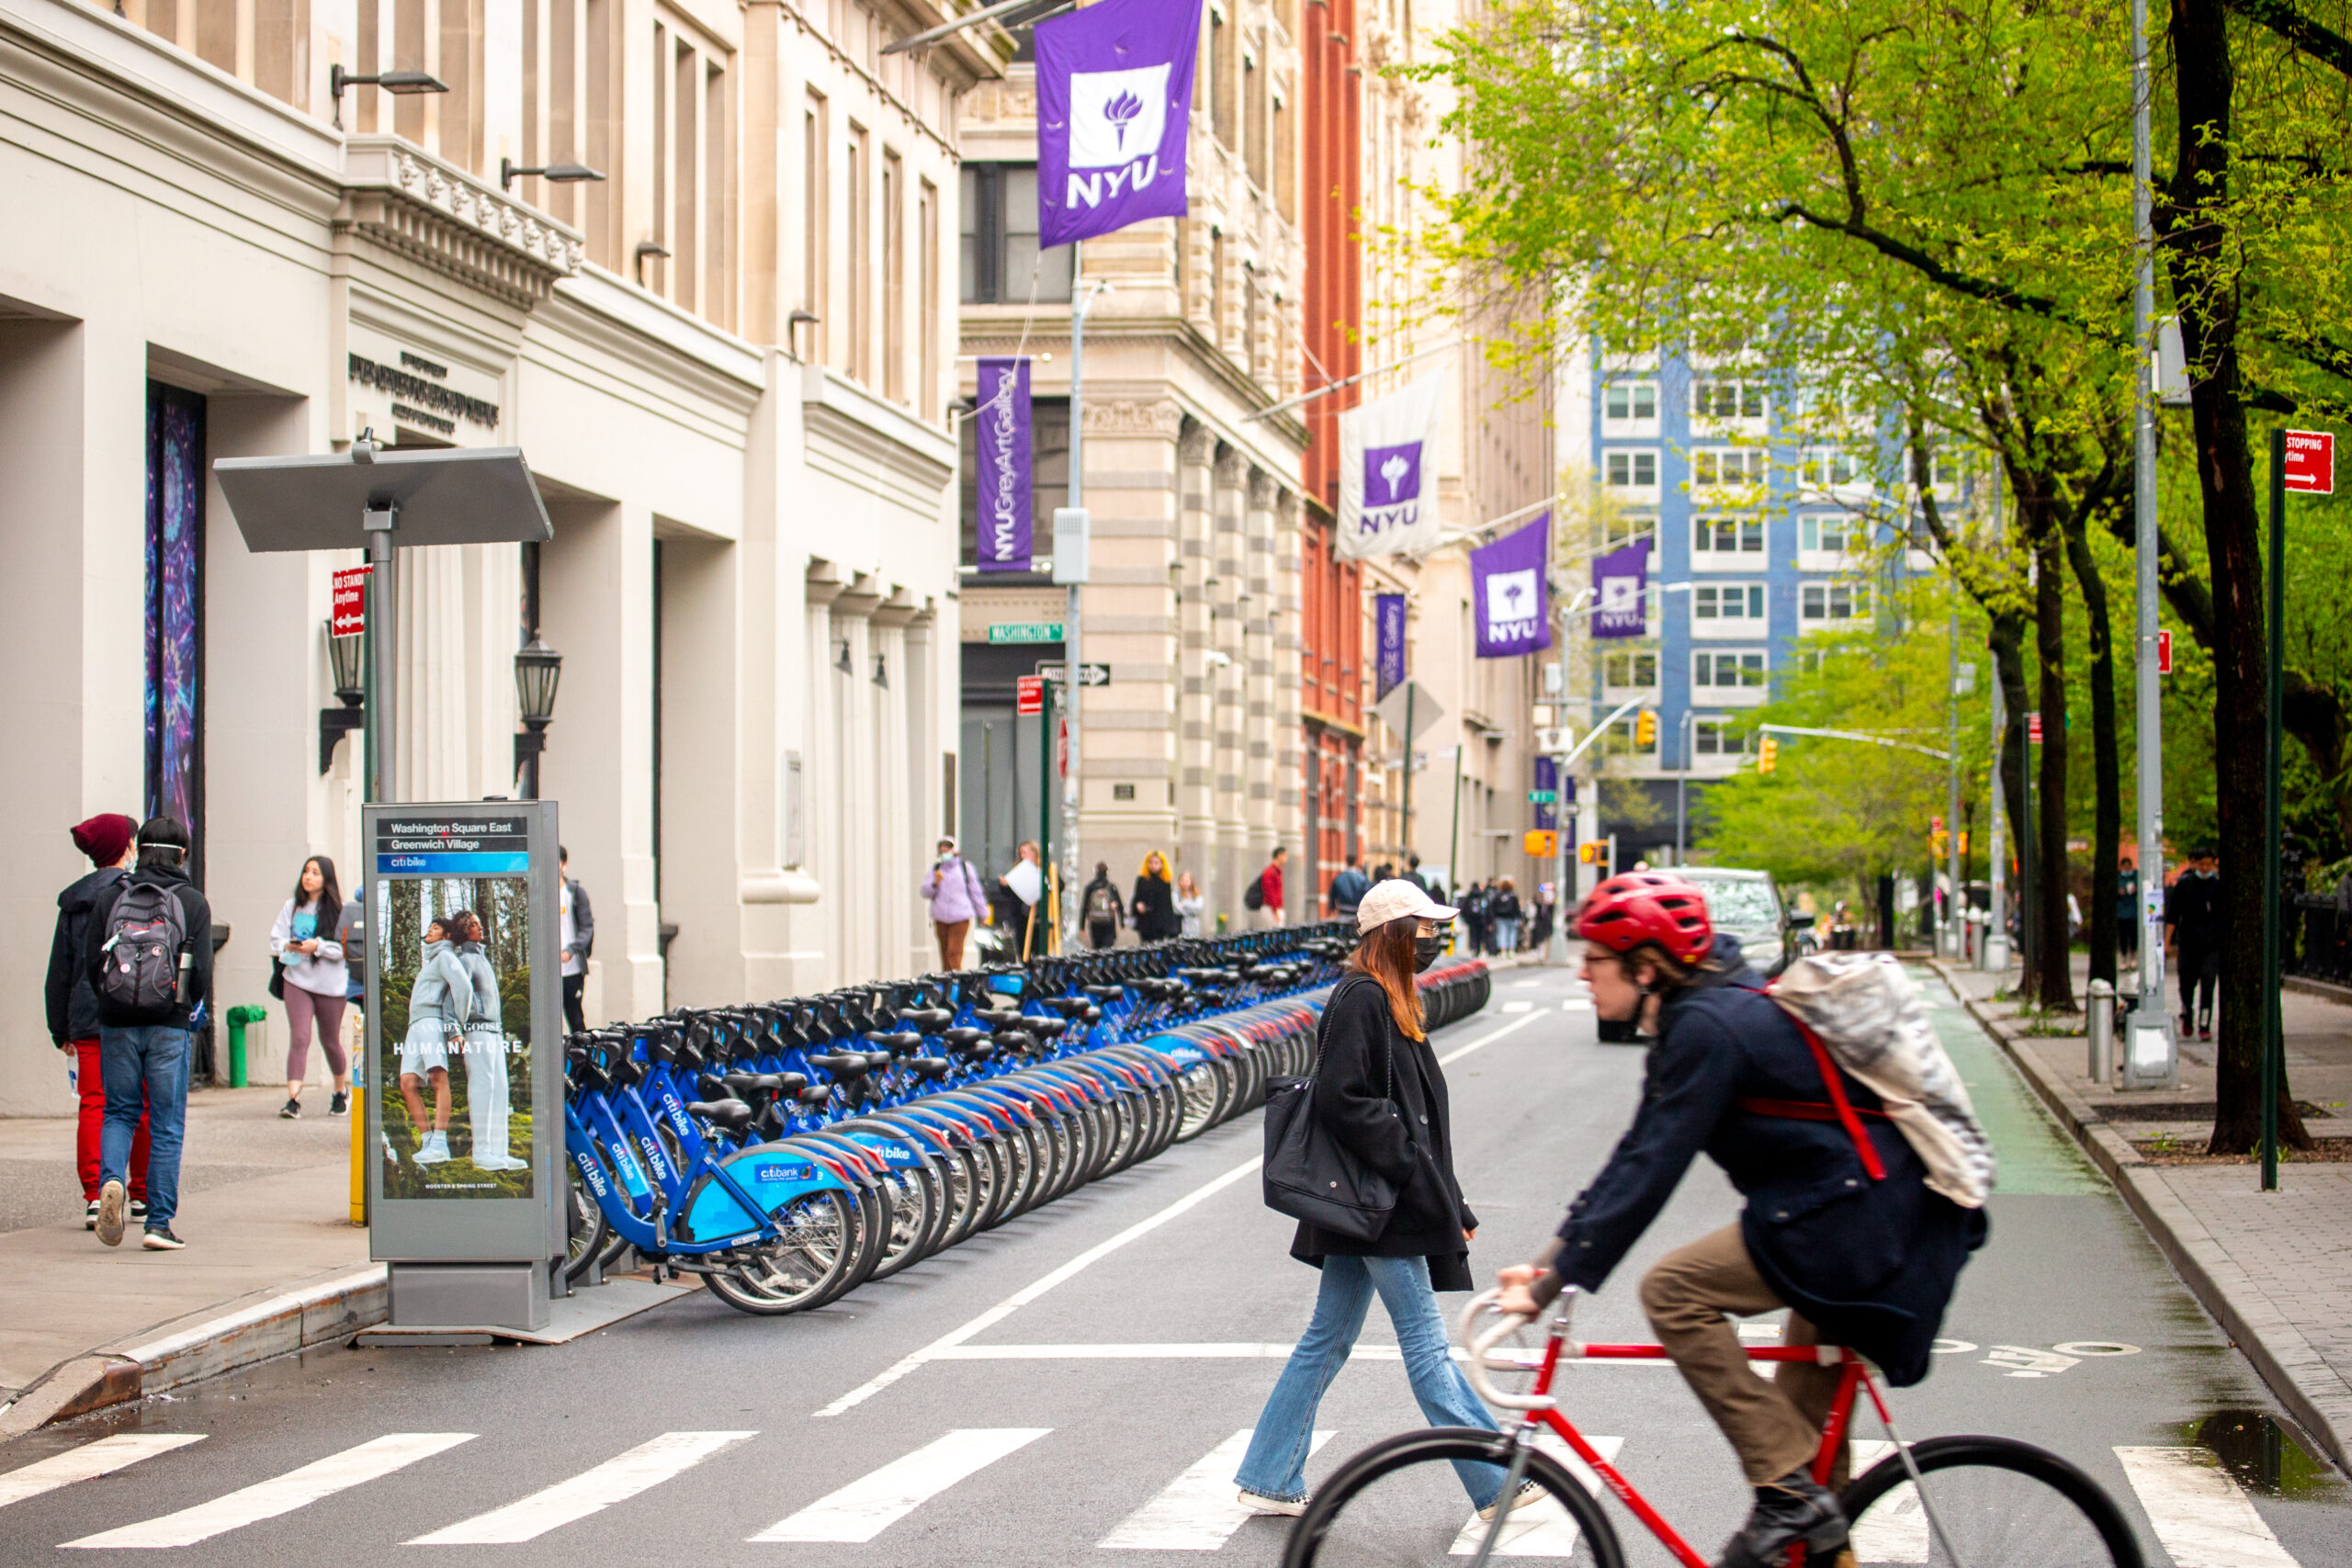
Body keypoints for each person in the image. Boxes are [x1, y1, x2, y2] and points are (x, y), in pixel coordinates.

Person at [1494, 874, 1984, 1568]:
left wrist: (1553, 1284)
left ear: (1645, 966)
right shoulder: (1702, 1013)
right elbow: (1635, 1151)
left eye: (1595, 960)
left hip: (1852, 1223)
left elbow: (1652, 1170)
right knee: (1807, 1489)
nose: (1582, 974)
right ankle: (1802, 1506)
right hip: (1853, 1217)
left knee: (1673, 1290)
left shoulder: (1710, 1026)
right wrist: (1550, 1260)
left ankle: (1790, 1495)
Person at [1235, 879, 1529, 1520]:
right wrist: (1408, 1167)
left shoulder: (1388, 998)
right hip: (1380, 1202)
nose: (1433, 939)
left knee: (1327, 1339)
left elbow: (1413, 1116)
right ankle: (1497, 1482)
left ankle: (1269, 1473)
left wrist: (1453, 1201)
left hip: (1373, 1199)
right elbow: (1347, 1098)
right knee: (1425, 1345)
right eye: (1423, 928)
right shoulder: (1364, 997)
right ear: (1391, 933)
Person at [81, 815, 210, 1251]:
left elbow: (89, 963)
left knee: (119, 1112)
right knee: (167, 1124)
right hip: (168, 1025)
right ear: (183, 854)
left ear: (140, 848)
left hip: (117, 1022)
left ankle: (112, 1181)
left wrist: (111, 1002)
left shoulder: (112, 897)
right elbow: (204, 975)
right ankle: (158, 1223)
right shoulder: (191, 901)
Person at [47, 814, 147, 1230]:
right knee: (138, 1104)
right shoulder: (137, 892)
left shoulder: (73, 901)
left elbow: (60, 971)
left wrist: (61, 1029)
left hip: (86, 1018)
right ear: (124, 848)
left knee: (94, 1103)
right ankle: (140, 1193)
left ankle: (95, 1193)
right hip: (130, 1011)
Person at [270, 855, 349, 1118]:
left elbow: (346, 950)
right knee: (300, 1037)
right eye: (306, 871)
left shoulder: (341, 910)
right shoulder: (292, 906)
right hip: (296, 980)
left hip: (331, 986)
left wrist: (319, 946)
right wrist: (287, 946)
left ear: (326, 878)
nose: (308, 877)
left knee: (330, 1041)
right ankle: (293, 1099)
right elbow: (275, 939)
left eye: (315, 872)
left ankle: (340, 1091)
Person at [452, 909, 526, 1171]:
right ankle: (481, 1150)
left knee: (499, 1089)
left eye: (479, 923)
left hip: (494, 1031)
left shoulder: (482, 958)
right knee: (482, 1087)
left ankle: (499, 1151)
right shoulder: (464, 960)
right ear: (463, 931)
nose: (479, 927)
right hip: (477, 1030)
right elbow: (456, 996)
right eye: (472, 924)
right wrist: (456, 1029)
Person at [399, 917, 471, 1166]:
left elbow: (463, 987)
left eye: (436, 928)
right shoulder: (432, 960)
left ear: (447, 936)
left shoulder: (445, 957)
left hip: (431, 1022)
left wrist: (456, 1027)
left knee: (438, 1078)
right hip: (415, 1024)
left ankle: (441, 1141)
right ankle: (428, 1141)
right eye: (429, 927)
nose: (429, 930)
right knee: (408, 1083)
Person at [2166, 847, 2222, 1041]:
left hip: (2210, 945)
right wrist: (2168, 942)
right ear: (2194, 863)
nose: (2205, 868)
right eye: (2202, 864)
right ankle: (2187, 1013)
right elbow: (2173, 916)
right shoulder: (2184, 885)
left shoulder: (2218, 886)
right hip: (2189, 944)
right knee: (2186, 984)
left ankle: (2204, 1023)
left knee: (2208, 984)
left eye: (2209, 864)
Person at [920, 836, 989, 970]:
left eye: (948, 849)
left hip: (960, 916)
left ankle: (957, 978)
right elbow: (925, 892)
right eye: (942, 850)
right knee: (944, 952)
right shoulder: (936, 869)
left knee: (953, 951)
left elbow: (976, 891)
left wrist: (983, 913)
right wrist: (935, 883)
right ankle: (947, 980)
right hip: (941, 917)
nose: (945, 853)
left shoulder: (965, 868)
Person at [559, 847, 594, 1035]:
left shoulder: (575, 893)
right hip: (550, 972)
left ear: (564, 865)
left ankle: (582, 1057)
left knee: (575, 1016)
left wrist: (572, 949)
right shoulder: (540, 894)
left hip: (572, 970)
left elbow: (587, 926)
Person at [1001, 840, 1046, 958]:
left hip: (1039, 917)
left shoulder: (1043, 869)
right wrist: (1004, 884)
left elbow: (1058, 885)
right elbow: (1008, 893)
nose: (1022, 856)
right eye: (1021, 853)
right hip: (1021, 916)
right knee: (1023, 947)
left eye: (1025, 853)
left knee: (1038, 947)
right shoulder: (1018, 870)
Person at [1132, 852, 1180, 942]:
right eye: (1151, 862)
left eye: (1156, 863)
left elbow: (1167, 904)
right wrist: (1138, 905)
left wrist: (1170, 926)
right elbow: (1137, 898)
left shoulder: (1165, 881)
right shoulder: (1142, 880)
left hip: (1160, 923)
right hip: (1145, 921)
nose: (1153, 865)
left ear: (1162, 865)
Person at [1082, 862, 1125, 950]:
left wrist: (1081, 926)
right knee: (1108, 948)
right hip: (1109, 923)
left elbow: (1084, 906)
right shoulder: (1111, 887)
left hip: (1095, 923)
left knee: (1096, 947)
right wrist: (1122, 922)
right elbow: (1120, 905)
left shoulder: (1090, 887)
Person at [1327, 852, 1371, 919]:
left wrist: (1332, 908)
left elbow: (1332, 895)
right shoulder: (1362, 878)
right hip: (1357, 911)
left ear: (1346, 862)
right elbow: (1367, 894)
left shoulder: (1339, 878)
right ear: (1355, 862)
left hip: (1343, 911)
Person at [1252, 847, 1288, 929]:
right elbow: (1269, 893)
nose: (1286, 859)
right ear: (1279, 856)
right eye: (1285, 856)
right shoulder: (1270, 872)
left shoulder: (1277, 872)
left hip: (1276, 909)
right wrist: (1275, 912)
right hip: (1271, 910)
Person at [1490, 877, 1523, 953]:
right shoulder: (1513, 895)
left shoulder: (1498, 895)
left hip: (1500, 917)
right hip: (1512, 917)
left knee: (1502, 933)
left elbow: (1493, 907)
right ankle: (1511, 950)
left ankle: (1503, 950)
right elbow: (1517, 908)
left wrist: (1493, 916)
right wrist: (1520, 918)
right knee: (1512, 933)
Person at [1461, 881, 1492, 955]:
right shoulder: (1482, 896)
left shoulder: (1469, 896)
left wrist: (1466, 919)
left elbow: (1464, 908)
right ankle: (1480, 948)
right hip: (1481, 918)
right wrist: (1489, 920)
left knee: (1473, 934)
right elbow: (1488, 908)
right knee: (1481, 934)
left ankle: (1474, 948)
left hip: (1472, 919)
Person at [2116, 864, 2140, 959]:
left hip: (2133, 912)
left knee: (2133, 935)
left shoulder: (2135, 876)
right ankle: (2124, 955)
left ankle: (2133, 954)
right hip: (2121, 912)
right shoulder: (2119, 878)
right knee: (2123, 936)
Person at [1173, 871, 1206, 938]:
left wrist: (1184, 904)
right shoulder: (1176, 893)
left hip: (1194, 925)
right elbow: (1176, 909)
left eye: (1187, 880)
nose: (1185, 883)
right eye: (1182, 880)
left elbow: (1198, 908)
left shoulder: (1196, 894)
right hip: (1181, 924)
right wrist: (1191, 911)